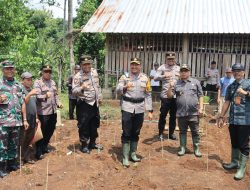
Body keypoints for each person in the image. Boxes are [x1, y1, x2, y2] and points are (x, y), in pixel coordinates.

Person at [116, 57, 153, 167]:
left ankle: (133, 153)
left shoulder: (145, 78)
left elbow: (148, 94)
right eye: (132, 64)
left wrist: (150, 110)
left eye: (136, 64)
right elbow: (117, 89)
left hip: (140, 108)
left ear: (140, 66)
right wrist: (124, 86)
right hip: (127, 107)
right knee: (126, 131)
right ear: (130, 65)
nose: (134, 67)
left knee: (136, 131)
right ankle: (125, 157)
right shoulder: (125, 77)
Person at [218, 63, 250, 180]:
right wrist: (221, 116)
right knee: (234, 142)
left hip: (245, 120)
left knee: (243, 145)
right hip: (233, 120)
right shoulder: (231, 86)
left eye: (239, 70)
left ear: (243, 72)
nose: (236, 72)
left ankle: (241, 168)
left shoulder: (248, 83)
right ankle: (234, 162)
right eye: (234, 70)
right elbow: (226, 102)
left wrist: (246, 93)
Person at [167, 64, 203, 157]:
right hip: (181, 113)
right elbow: (169, 96)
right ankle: (182, 148)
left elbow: (201, 95)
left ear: (189, 72)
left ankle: (196, 148)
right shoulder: (176, 83)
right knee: (182, 131)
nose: (183, 73)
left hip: (193, 112)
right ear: (180, 73)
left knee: (195, 131)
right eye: (182, 71)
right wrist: (170, 87)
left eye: (185, 71)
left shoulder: (195, 82)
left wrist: (201, 108)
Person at [0, 60, 28, 178]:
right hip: (3, 121)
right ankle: (2, 168)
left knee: (14, 145)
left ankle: (12, 164)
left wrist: (25, 119)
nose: (10, 70)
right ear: (3, 70)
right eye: (7, 68)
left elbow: (23, 103)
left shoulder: (18, 85)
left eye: (12, 68)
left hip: (16, 121)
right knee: (2, 146)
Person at [72, 55, 103, 154]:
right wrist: (81, 87)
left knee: (95, 123)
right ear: (81, 65)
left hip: (94, 103)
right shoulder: (77, 76)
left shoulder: (94, 72)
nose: (87, 66)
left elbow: (97, 86)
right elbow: (74, 91)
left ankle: (93, 143)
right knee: (84, 125)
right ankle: (84, 145)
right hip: (84, 104)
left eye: (88, 64)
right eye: (84, 64)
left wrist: (100, 96)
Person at [34, 65, 62, 159]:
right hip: (43, 112)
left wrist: (58, 102)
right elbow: (37, 97)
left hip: (53, 111)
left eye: (49, 71)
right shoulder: (38, 83)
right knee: (42, 131)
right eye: (46, 71)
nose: (48, 73)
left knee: (51, 129)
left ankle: (44, 146)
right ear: (42, 72)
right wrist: (45, 96)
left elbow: (56, 95)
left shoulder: (53, 82)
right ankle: (38, 151)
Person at [154, 51, 180, 140]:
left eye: (172, 59)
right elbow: (155, 78)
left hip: (175, 96)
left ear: (175, 59)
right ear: (166, 59)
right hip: (165, 96)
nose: (170, 60)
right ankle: (160, 133)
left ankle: (171, 133)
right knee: (163, 115)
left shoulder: (178, 68)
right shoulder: (162, 67)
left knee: (173, 116)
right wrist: (164, 76)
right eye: (169, 59)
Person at [20, 72, 40, 164]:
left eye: (31, 79)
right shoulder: (21, 90)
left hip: (32, 117)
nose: (30, 81)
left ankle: (26, 157)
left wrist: (36, 117)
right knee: (22, 139)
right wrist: (30, 94)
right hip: (24, 118)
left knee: (29, 138)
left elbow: (34, 105)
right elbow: (23, 103)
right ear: (22, 81)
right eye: (28, 80)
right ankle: (20, 158)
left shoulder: (31, 90)